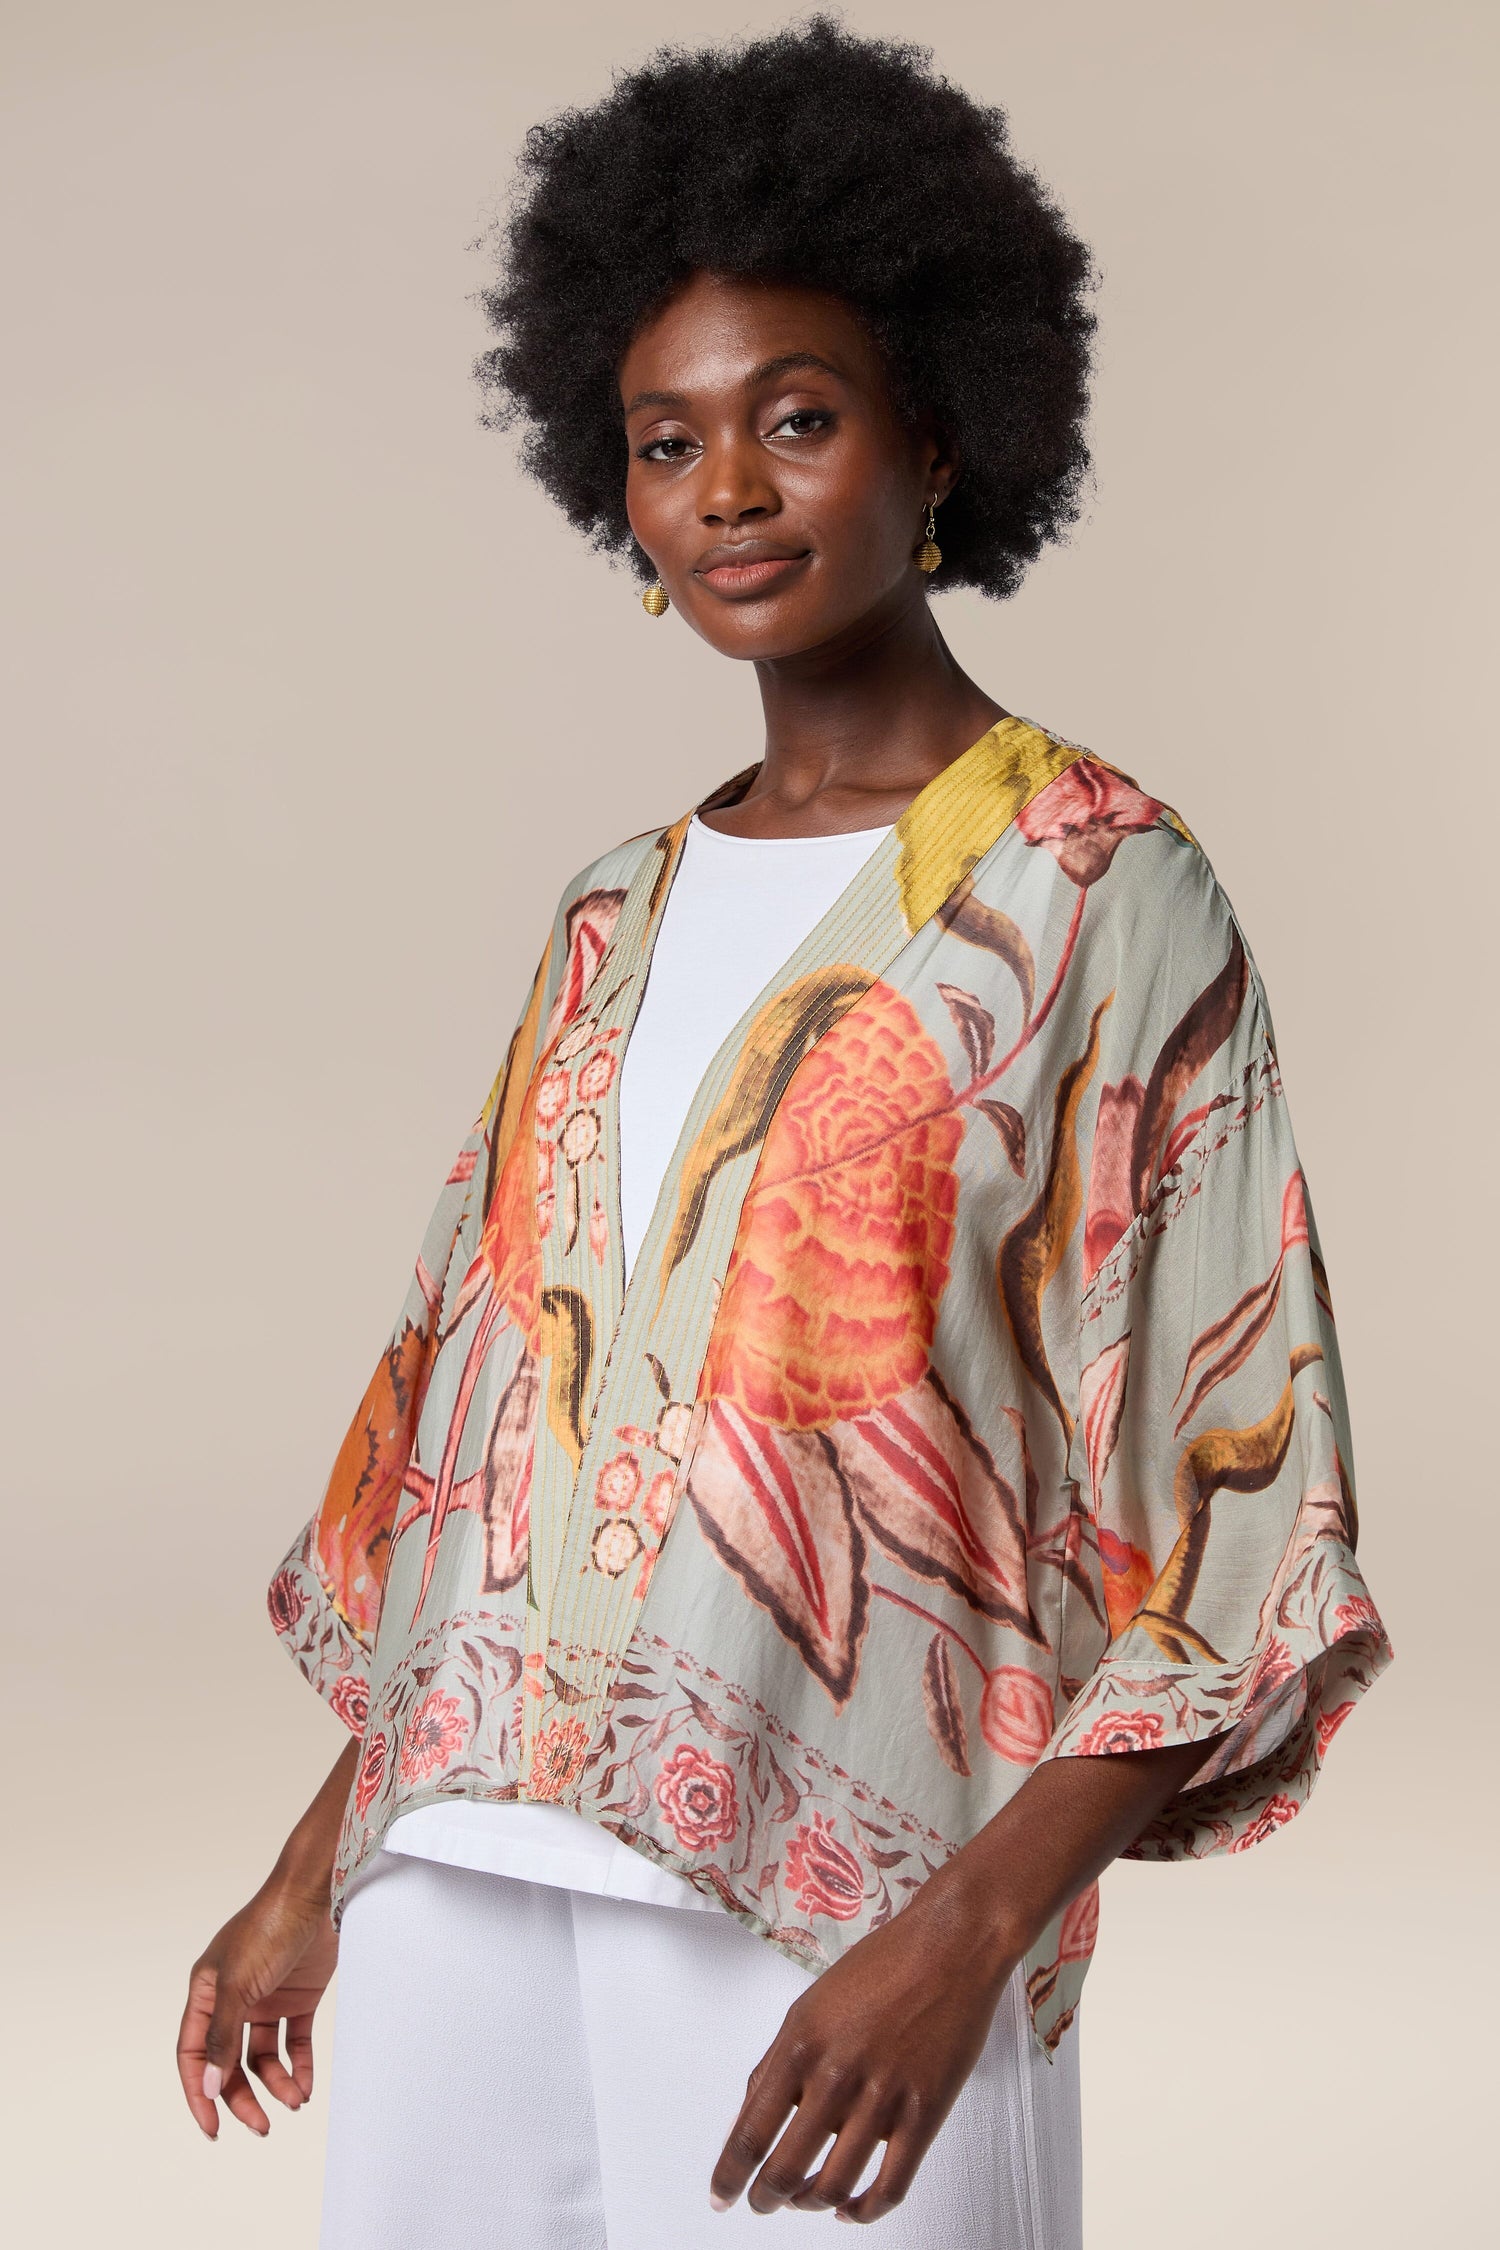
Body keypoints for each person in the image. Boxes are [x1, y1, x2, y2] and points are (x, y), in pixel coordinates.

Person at [176, 20, 1391, 2247]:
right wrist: (306, 1866)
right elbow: (480, 1461)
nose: (728, 488)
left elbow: (1242, 1509)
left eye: (796, 419)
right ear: (614, 492)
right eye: (668, 442)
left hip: (844, 1924)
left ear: (935, 438)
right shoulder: (604, 918)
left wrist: (964, 1939)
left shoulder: (1107, 883)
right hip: (457, 1893)